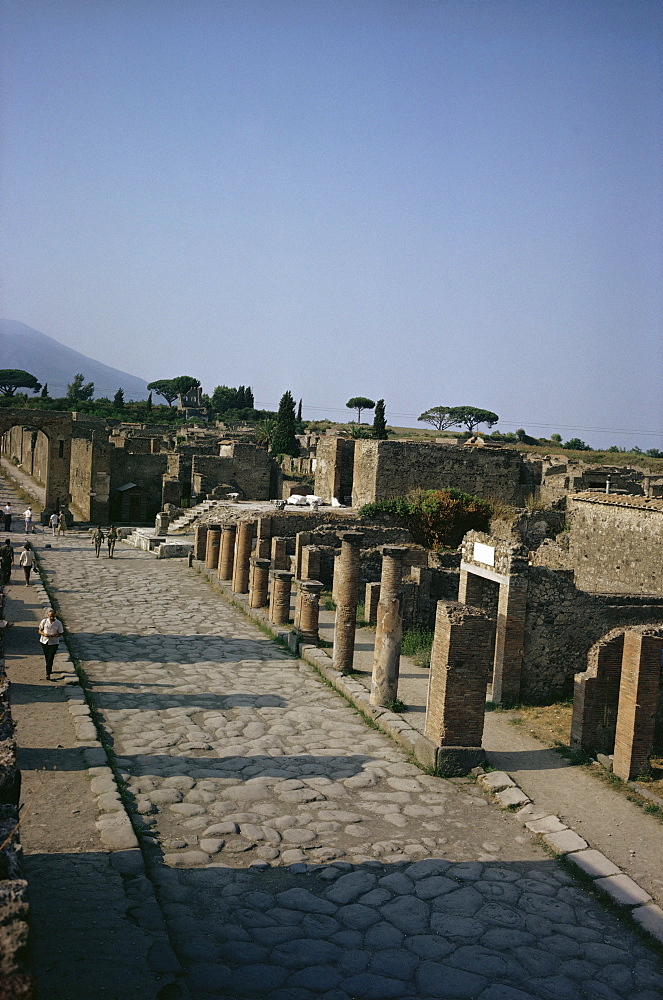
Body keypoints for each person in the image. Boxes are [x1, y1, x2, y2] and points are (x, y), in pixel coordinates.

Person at [38, 608, 64, 680]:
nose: (52, 618)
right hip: (44, 641)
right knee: (47, 656)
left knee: (51, 656)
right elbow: (39, 631)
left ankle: (48, 673)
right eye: (50, 616)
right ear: (48, 615)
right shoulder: (44, 621)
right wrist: (44, 634)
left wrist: (55, 635)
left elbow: (61, 633)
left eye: (53, 616)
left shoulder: (58, 623)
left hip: (54, 642)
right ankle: (49, 668)